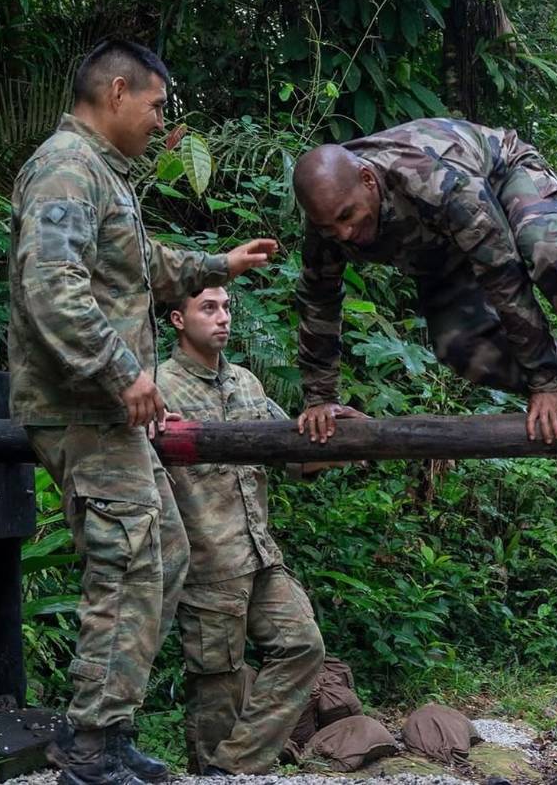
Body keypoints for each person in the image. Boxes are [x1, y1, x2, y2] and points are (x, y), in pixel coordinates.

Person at [8, 39, 277, 785]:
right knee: (128, 558)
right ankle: (89, 745)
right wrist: (125, 372)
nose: (162, 123)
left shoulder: (102, 175)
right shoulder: (66, 168)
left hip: (106, 411)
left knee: (163, 552)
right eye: (157, 106)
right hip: (82, 409)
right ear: (117, 90)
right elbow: (52, 287)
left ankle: (109, 727)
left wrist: (219, 265)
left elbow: (140, 265)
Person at [293, 118, 557, 446]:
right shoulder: (326, 223)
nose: (343, 234)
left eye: (347, 217)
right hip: (439, 248)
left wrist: (544, 383)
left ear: (367, 180)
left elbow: (505, 278)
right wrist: (320, 399)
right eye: (329, 227)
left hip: (504, 179)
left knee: (547, 248)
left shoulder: (436, 181)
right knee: (461, 346)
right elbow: (318, 302)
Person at [157, 286, 362, 774]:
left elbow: (292, 456)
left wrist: (339, 439)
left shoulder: (246, 382)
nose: (223, 317)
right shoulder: (156, 386)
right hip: (206, 556)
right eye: (209, 308)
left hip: (260, 553)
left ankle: (233, 769)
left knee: (303, 645)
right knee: (217, 682)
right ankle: (213, 771)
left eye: (226, 307)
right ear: (178, 320)